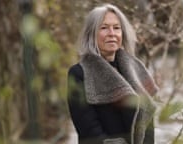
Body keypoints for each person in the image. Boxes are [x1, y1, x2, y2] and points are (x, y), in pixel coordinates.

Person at [67, 3, 159, 144]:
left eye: (116, 28)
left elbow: (147, 120)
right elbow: (89, 130)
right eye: (104, 28)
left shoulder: (135, 69)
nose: (112, 33)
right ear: (91, 33)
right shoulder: (79, 73)